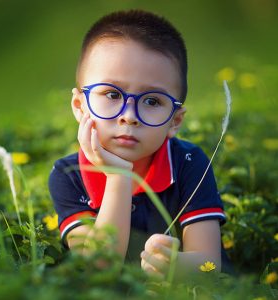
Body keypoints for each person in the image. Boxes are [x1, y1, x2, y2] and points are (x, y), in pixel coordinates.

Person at [48, 9, 228, 279]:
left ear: (175, 121)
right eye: (111, 94)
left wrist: (177, 268)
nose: (129, 117)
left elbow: (210, 265)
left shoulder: (189, 164)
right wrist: (118, 176)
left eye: (152, 101)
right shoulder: (68, 175)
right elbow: (99, 268)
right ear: (79, 106)